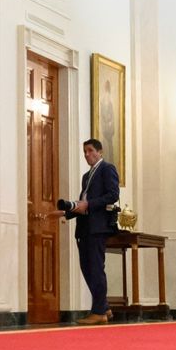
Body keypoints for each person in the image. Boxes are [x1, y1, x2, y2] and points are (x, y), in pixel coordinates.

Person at [53, 138, 120, 325]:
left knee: (96, 268)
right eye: (84, 151)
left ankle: (98, 311)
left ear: (100, 152)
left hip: (97, 227)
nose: (87, 155)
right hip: (85, 227)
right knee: (87, 268)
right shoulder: (86, 176)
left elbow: (113, 194)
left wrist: (88, 204)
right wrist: (65, 212)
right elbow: (83, 203)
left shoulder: (107, 169)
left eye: (90, 151)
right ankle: (104, 306)